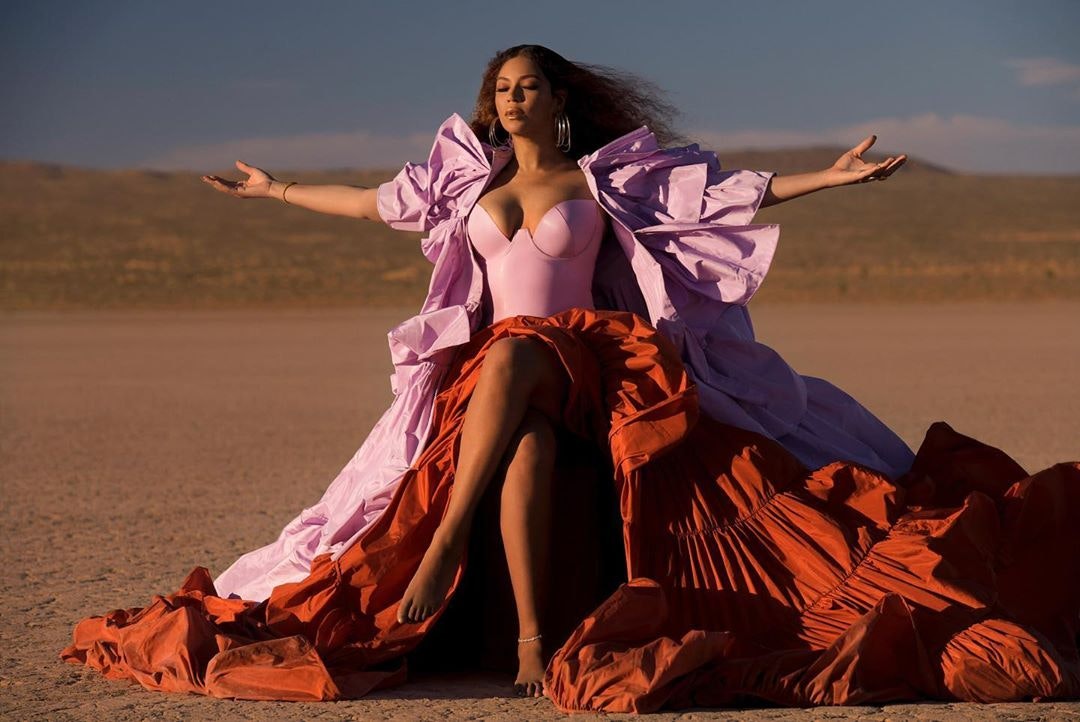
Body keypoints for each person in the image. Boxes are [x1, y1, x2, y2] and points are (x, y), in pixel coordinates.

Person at [60, 45, 1080, 712]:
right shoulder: (465, 183)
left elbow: (722, 195)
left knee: (522, 355)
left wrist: (830, 177)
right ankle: (536, 638)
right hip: (495, 381)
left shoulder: (604, 180)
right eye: (501, 89)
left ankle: (448, 544)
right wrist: (274, 188)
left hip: (591, 357)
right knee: (523, 423)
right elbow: (368, 202)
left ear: (559, 100)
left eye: (529, 86)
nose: (513, 99)